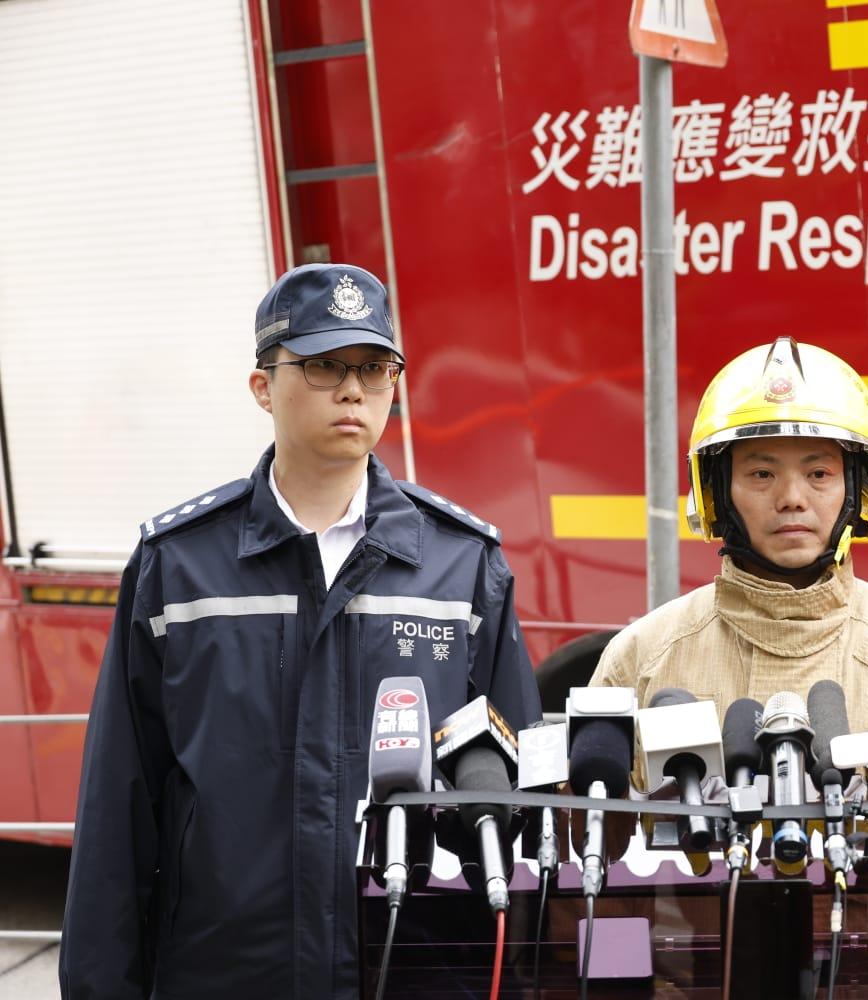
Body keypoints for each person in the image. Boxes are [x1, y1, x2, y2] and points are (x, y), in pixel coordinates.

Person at [59, 263, 542, 999]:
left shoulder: (462, 567)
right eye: (323, 366)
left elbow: (517, 806)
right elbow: (117, 814)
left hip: (410, 970)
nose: (354, 389)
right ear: (262, 386)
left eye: (376, 368)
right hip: (226, 974)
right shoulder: (180, 567)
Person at [589, 336, 868, 777]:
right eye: (762, 474)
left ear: (860, 490)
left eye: (818, 473)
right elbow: (591, 830)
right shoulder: (640, 661)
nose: (792, 499)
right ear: (715, 495)